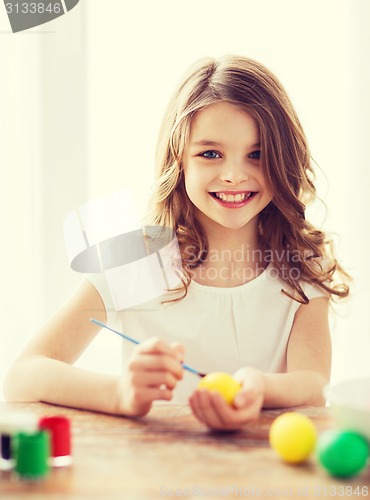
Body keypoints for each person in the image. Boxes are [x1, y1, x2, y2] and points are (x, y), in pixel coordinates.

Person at [4, 55, 350, 430]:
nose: (234, 175)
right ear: (179, 160)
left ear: (284, 161)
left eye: (257, 154)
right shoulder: (136, 258)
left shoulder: (301, 267)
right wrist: (121, 394)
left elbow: (314, 385)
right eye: (210, 154)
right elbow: (24, 375)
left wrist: (260, 388)